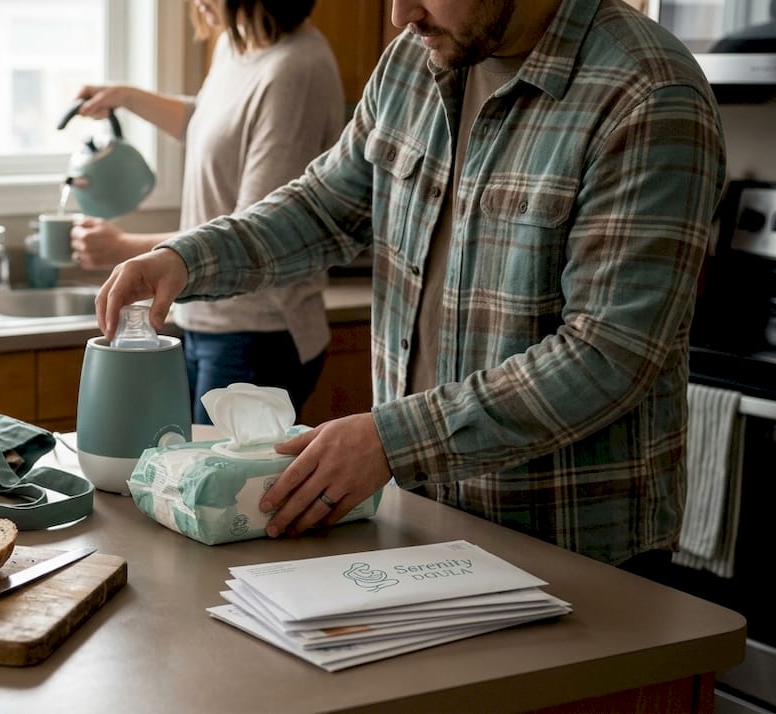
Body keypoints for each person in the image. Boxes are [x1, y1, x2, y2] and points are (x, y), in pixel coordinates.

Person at [95, 0, 727, 570]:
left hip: (574, 556)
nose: (400, 13)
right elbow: (323, 207)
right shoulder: (414, 60)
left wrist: (390, 439)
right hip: (425, 527)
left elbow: (606, 355)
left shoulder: (647, 93)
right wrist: (183, 257)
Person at [67, 0, 346, 425]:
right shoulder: (236, 45)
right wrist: (125, 96)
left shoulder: (295, 70)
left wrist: (124, 248)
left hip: (259, 332)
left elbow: (260, 228)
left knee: (215, 486)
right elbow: (211, 123)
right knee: (185, 475)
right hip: (203, 317)